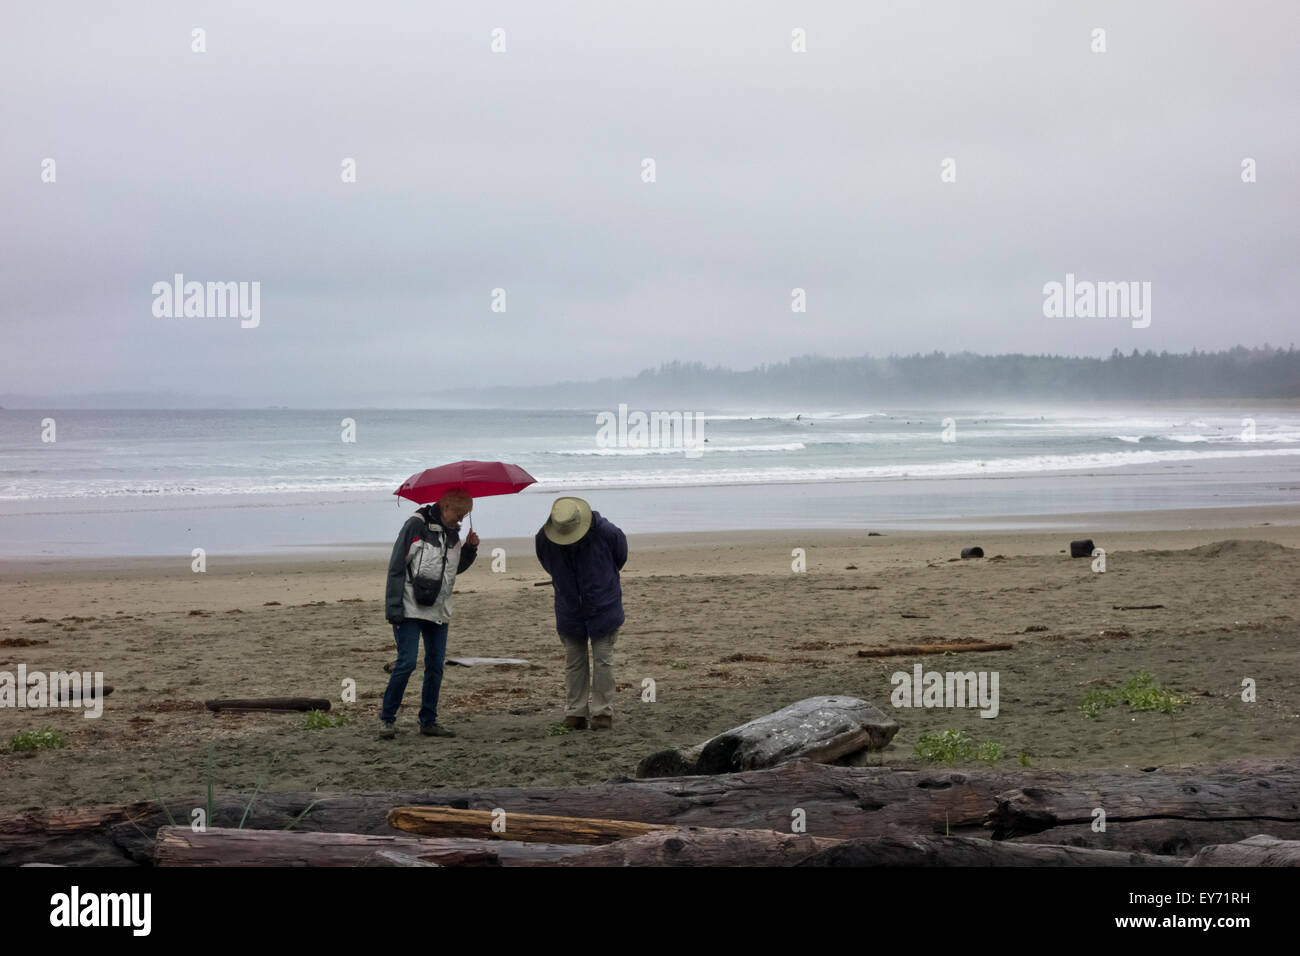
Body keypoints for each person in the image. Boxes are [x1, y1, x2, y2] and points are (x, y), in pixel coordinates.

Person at [380, 489, 478, 739]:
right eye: (458, 513)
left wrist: (469, 550)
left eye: (465, 515)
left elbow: (453, 571)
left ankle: (428, 721)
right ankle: (387, 720)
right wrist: (393, 609)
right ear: (445, 506)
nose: (460, 520)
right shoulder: (415, 525)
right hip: (409, 606)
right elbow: (396, 567)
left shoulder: (454, 535)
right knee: (407, 663)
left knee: (435, 665)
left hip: (438, 609)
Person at [535, 497, 627, 730]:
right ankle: (575, 713)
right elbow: (548, 565)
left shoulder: (607, 532)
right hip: (569, 607)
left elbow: (620, 557)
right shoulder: (544, 539)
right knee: (574, 661)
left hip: (603, 604)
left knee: (603, 659)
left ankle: (602, 713)